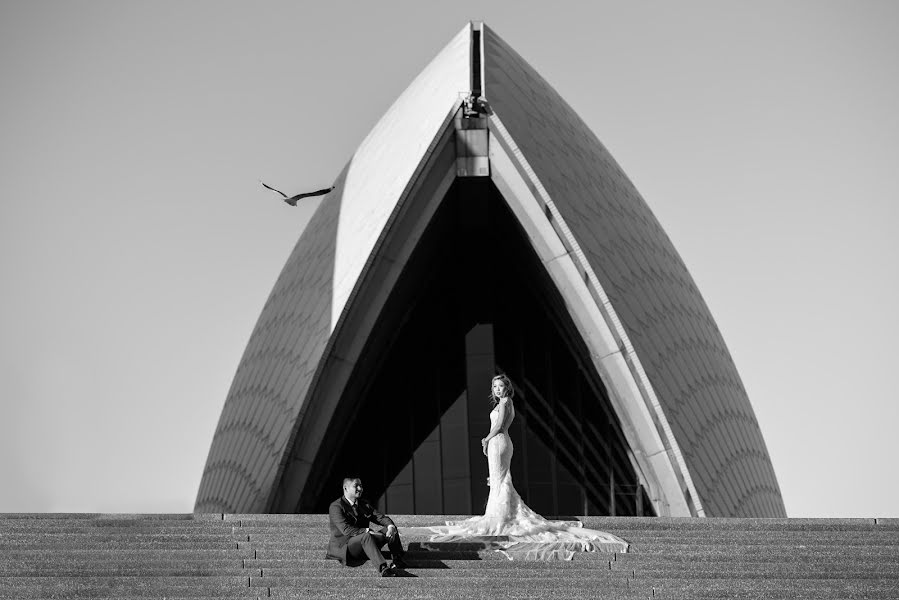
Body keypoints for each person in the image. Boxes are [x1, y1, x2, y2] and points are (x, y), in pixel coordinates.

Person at [429, 374, 629, 560]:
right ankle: (499, 514)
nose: (498, 389)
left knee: (500, 481)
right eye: (495, 387)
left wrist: (485, 439)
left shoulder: (506, 402)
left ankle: (500, 517)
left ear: (507, 388)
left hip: (498, 442)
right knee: (499, 481)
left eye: (501, 386)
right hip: (498, 443)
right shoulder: (504, 403)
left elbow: (498, 426)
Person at [326, 477, 408, 576]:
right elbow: (346, 530)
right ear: (346, 488)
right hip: (347, 547)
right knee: (366, 536)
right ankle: (384, 569)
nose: (360, 489)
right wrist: (368, 531)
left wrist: (390, 527)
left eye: (361, 486)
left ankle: (397, 560)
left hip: (366, 544)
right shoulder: (336, 506)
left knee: (390, 529)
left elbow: (380, 518)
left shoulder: (364, 504)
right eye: (356, 486)